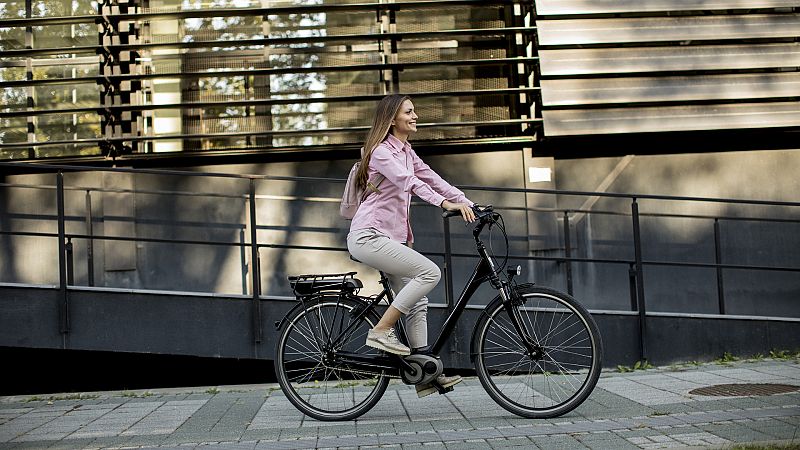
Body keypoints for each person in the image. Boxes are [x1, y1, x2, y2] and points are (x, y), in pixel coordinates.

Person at [347, 94, 476, 397]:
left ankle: (423, 372)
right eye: (409, 111)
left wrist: (470, 204)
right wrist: (443, 203)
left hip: (390, 240)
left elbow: (433, 178)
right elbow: (410, 182)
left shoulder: (406, 151)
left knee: (418, 301)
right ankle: (380, 330)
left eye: (414, 111)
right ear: (392, 119)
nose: (415, 115)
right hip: (369, 236)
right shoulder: (381, 152)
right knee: (429, 273)